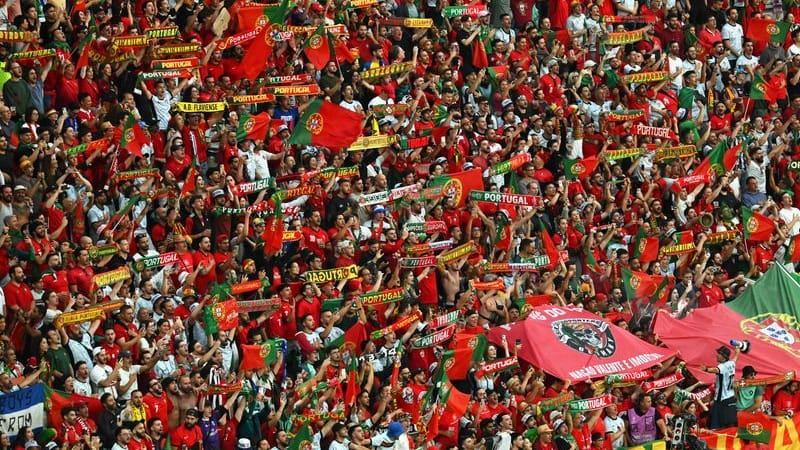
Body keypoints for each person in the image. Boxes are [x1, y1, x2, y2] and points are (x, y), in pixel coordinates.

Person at [701, 344, 740, 429]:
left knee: (715, 426)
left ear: (724, 356)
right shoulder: (731, 363)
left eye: (719, 353)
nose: (717, 355)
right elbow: (735, 358)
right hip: (730, 398)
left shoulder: (722, 366)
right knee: (728, 425)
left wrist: (706, 369)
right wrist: (737, 351)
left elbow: (716, 370)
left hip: (721, 400)